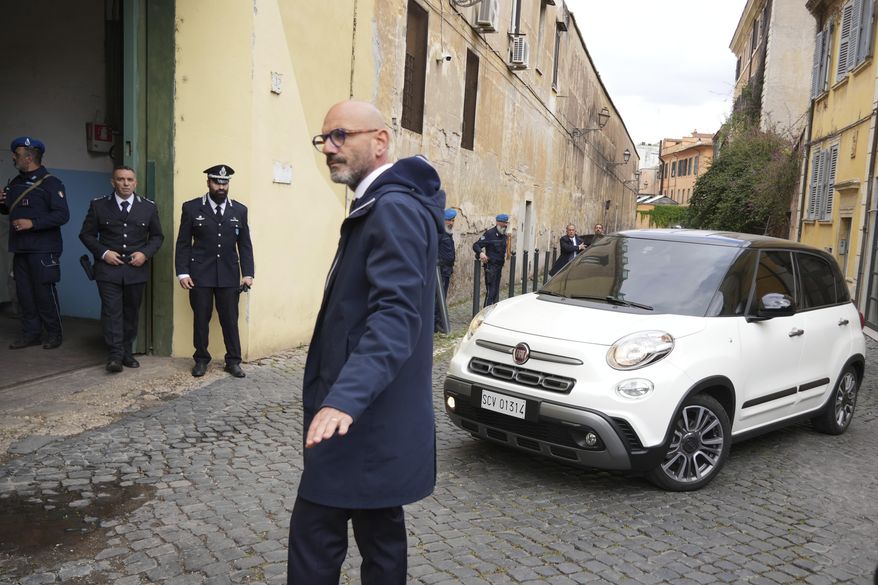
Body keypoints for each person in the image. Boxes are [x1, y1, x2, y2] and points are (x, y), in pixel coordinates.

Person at [289, 100, 442, 585]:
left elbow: (397, 317)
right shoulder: (384, 204)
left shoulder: (393, 209)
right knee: (382, 538)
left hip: (358, 421)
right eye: (324, 139)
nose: (329, 148)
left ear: (380, 141)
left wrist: (343, 400)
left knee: (314, 540)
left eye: (341, 136)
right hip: (375, 420)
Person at [79, 166, 163, 373]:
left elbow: (157, 236)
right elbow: (86, 234)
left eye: (129, 179)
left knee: (131, 312)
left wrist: (145, 254)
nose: (125, 183)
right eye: (121, 179)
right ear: (113, 182)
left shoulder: (148, 207)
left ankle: (126, 351)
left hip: (136, 270)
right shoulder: (99, 205)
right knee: (111, 311)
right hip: (108, 270)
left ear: (136, 183)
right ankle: (115, 355)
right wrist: (104, 252)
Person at [174, 164, 254, 378]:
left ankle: (233, 361)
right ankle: (201, 359)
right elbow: (183, 242)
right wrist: (182, 272)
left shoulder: (239, 210)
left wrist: (248, 273)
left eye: (224, 182)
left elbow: (245, 244)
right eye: (217, 182)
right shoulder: (191, 208)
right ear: (208, 182)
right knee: (201, 318)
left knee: (230, 318)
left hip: (228, 273)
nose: (221, 186)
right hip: (199, 274)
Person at [0, 136, 69, 349]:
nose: (13, 158)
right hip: (20, 248)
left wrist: (32, 222)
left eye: (17, 155)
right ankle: (31, 333)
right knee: (25, 294)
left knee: (44, 293)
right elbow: (9, 210)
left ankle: (54, 334)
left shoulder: (51, 183)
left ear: (29, 157)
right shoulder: (15, 183)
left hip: (43, 249)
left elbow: (62, 215)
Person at [472, 213, 509, 306]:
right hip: (491, 267)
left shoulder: (504, 235)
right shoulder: (489, 234)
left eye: (506, 223)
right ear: (497, 222)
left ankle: (493, 313)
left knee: (496, 291)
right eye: (502, 223)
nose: (505, 225)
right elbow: (476, 245)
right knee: (490, 292)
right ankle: (485, 313)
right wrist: (481, 253)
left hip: (499, 267)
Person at [434, 206, 456, 333]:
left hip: (447, 270)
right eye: (449, 220)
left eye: (453, 220)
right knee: (438, 298)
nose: (451, 223)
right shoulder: (440, 233)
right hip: (440, 271)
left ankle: (438, 322)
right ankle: (435, 324)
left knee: (442, 296)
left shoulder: (448, 233)